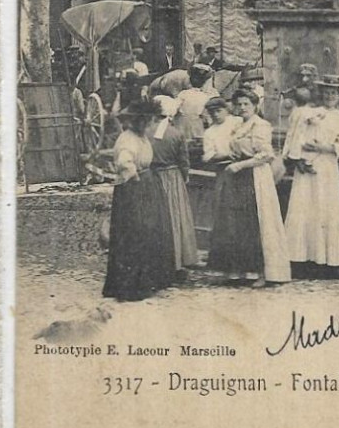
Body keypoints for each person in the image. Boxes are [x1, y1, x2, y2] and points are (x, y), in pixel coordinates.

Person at [207, 88, 290, 286]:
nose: (242, 107)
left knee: (257, 221)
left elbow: (266, 155)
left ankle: (263, 273)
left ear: (255, 106)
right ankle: (241, 269)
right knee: (238, 223)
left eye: (247, 104)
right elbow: (235, 147)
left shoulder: (261, 125)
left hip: (255, 175)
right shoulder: (238, 125)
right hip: (238, 178)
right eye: (239, 104)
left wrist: (240, 164)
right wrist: (233, 157)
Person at [102, 98, 176, 301]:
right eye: (150, 121)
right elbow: (124, 161)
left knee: (151, 230)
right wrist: (135, 176)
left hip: (147, 185)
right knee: (136, 232)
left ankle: (150, 279)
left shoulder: (141, 137)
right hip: (133, 189)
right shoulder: (128, 138)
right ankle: (130, 285)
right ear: (141, 121)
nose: (152, 125)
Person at [282, 73, 339, 270]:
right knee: (304, 206)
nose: (330, 96)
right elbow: (295, 136)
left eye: (334, 93)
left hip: (327, 167)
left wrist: (324, 148)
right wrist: (297, 160)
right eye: (326, 92)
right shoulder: (308, 113)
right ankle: (300, 258)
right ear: (321, 93)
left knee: (326, 207)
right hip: (307, 165)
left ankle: (329, 260)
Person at [149, 96, 198, 273]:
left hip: (152, 176)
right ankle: (178, 258)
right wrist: (185, 177)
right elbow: (183, 161)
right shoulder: (176, 134)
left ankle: (155, 257)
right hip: (172, 177)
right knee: (175, 216)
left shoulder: (146, 132)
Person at [175, 65, 214, 140]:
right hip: (197, 129)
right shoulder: (205, 97)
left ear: (190, 80)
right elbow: (207, 116)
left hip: (182, 127)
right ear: (203, 82)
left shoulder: (183, 94)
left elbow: (174, 108)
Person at [202, 96, 242, 165]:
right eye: (212, 112)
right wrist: (225, 155)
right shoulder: (209, 132)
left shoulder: (238, 121)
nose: (215, 115)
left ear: (226, 110)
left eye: (218, 111)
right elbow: (208, 155)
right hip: (224, 164)